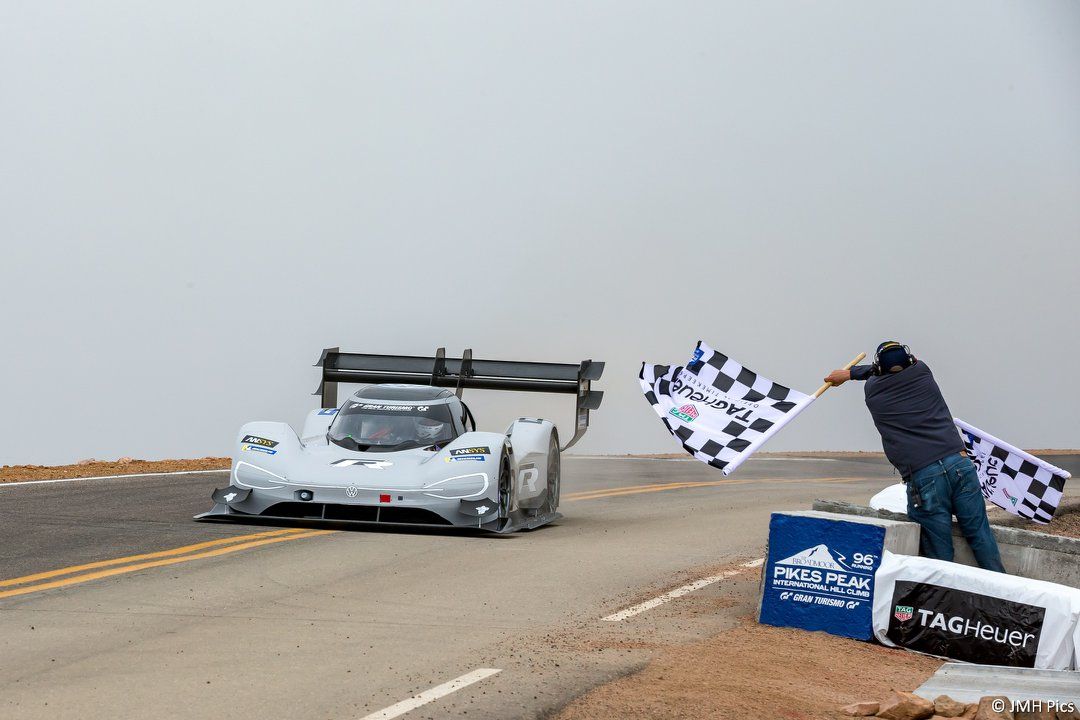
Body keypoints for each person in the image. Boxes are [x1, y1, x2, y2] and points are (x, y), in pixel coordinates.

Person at [824, 341, 1005, 572]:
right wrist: (851, 373)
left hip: (924, 475)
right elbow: (885, 367)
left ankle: (944, 598)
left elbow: (874, 372)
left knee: (939, 554)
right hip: (959, 463)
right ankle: (1002, 587)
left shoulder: (873, 392)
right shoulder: (923, 372)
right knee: (980, 535)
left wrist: (848, 375)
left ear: (879, 369)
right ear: (910, 361)